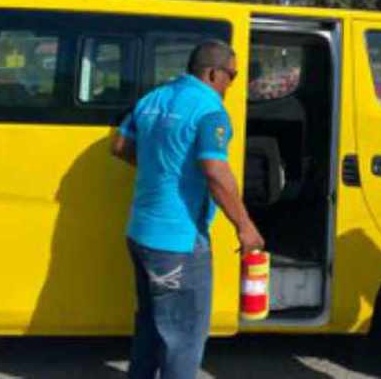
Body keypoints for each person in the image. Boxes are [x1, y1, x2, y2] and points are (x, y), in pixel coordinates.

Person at [111, 40, 265, 379]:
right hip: (177, 243)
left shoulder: (153, 98)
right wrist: (245, 225)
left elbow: (119, 146)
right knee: (184, 336)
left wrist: (161, 167)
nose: (232, 84)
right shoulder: (209, 109)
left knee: (151, 324)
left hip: (139, 233)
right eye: (233, 76)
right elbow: (215, 172)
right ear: (214, 73)